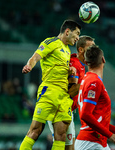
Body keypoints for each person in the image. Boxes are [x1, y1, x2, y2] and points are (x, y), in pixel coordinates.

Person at [19, 20, 81, 150]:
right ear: (67, 31)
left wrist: (70, 70)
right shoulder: (51, 42)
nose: (78, 38)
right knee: (35, 131)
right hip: (49, 91)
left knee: (61, 135)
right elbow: (35, 57)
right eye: (77, 34)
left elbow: (60, 68)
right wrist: (29, 65)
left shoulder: (68, 51)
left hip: (64, 96)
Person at [75, 45, 115, 150]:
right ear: (103, 59)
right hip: (91, 143)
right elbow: (85, 115)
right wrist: (110, 135)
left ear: (86, 63)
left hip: (95, 141)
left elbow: (97, 120)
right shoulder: (94, 83)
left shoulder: (87, 79)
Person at [47, 35, 95, 150]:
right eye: (91, 47)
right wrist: (86, 81)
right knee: (61, 145)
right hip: (58, 108)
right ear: (81, 50)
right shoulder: (74, 64)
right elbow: (69, 91)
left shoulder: (82, 66)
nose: (94, 51)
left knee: (69, 148)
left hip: (67, 110)